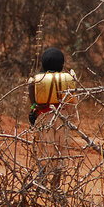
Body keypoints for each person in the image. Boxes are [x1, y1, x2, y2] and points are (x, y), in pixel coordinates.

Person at [27, 47, 76, 188]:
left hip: (43, 118)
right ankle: (56, 184)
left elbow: (33, 98)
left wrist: (35, 107)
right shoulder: (66, 79)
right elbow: (71, 98)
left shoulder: (37, 79)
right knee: (60, 150)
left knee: (43, 150)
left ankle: (42, 181)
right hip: (61, 119)